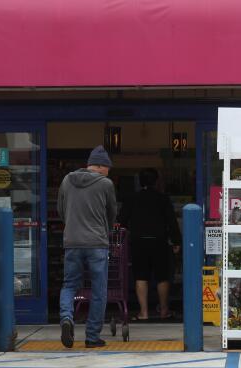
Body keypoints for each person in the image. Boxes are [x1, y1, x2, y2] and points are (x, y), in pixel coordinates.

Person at [57, 145, 118, 349]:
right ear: (101, 166)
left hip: (72, 242)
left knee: (69, 285)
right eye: (108, 167)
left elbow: (60, 210)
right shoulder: (106, 184)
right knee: (99, 291)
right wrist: (105, 230)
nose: (109, 171)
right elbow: (112, 213)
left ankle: (67, 317)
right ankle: (92, 337)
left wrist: (73, 225)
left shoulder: (67, 180)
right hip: (97, 244)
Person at [119, 168, 181, 320]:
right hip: (159, 241)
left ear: (139, 182)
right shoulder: (163, 198)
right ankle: (164, 311)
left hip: (138, 242)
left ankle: (143, 313)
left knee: (140, 276)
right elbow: (172, 222)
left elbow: (121, 221)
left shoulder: (132, 198)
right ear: (156, 181)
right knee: (162, 276)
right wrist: (176, 241)